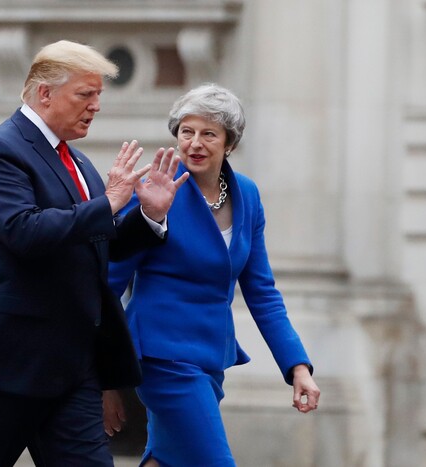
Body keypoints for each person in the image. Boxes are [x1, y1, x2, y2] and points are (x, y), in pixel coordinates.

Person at [0, 40, 188, 466]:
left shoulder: (78, 162)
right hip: (4, 363)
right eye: (85, 94)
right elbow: (25, 232)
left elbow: (99, 245)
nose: (96, 106)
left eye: (99, 95)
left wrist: (149, 217)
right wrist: (108, 203)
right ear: (45, 93)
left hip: (72, 369)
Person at [104, 83, 321, 466]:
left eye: (208, 133)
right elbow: (110, 282)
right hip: (162, 357)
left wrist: (297, 366)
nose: (195, 143)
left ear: (229, 143)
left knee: (166, 461)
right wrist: (102, 378)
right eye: (186, 132)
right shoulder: (156, 193)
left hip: (210, 360)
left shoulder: (247, 196)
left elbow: (262, 291)